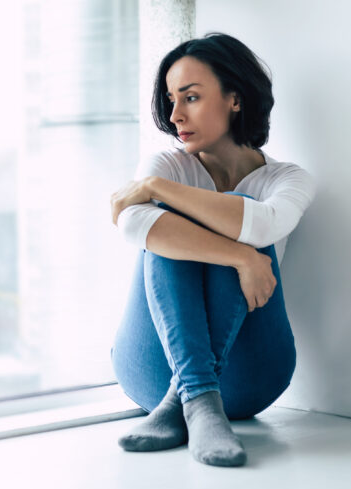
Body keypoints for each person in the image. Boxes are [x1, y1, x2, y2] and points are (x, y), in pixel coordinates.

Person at [108, 32, 317, 467]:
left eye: (191, 97)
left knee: (233, 213)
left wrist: (154, 190)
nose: (175, 114)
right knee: (166, 224)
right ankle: (197, 400)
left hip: (249, 376)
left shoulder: (288, 180)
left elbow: (261, 224)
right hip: (151, 367)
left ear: (235, 100)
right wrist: (240, 257)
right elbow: (132, 223)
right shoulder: (168, 164)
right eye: (170, 99)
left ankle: (182, 403)